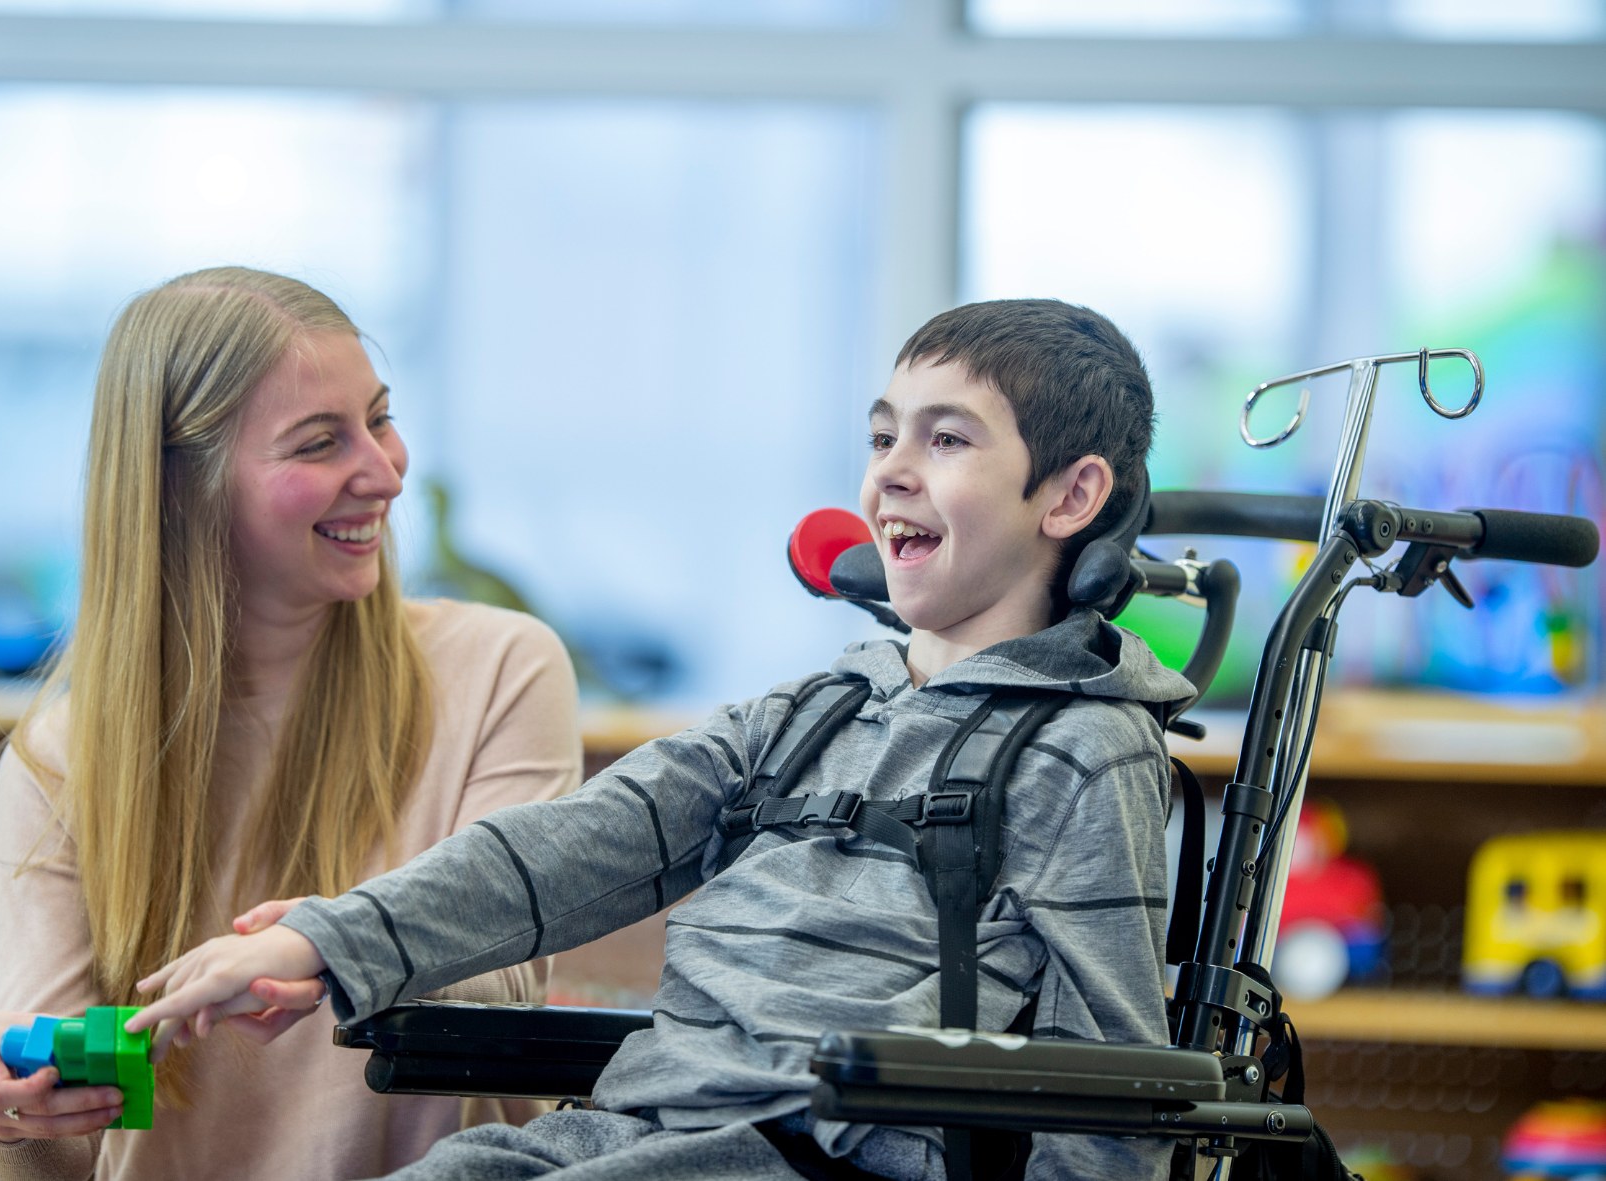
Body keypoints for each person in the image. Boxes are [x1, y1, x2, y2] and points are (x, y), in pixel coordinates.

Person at [130, 299, 1195, 1181]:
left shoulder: (1083, 751)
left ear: (1070, 495)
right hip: (634, 1134)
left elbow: (1113, 1091)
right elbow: (567, 848)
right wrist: (324, 941)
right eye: (882, 438)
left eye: (947, 439)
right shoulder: (807, 714)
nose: (891, 474)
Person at [0, 268, 584, 1180]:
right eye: (320, 442)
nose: (386, 471)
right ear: (182, 487)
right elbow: (64, 1155)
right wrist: (3, 1102)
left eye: (380, 418)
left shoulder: (502, 670)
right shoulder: (59, 763)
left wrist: (329, 947)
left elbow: (506, 975)